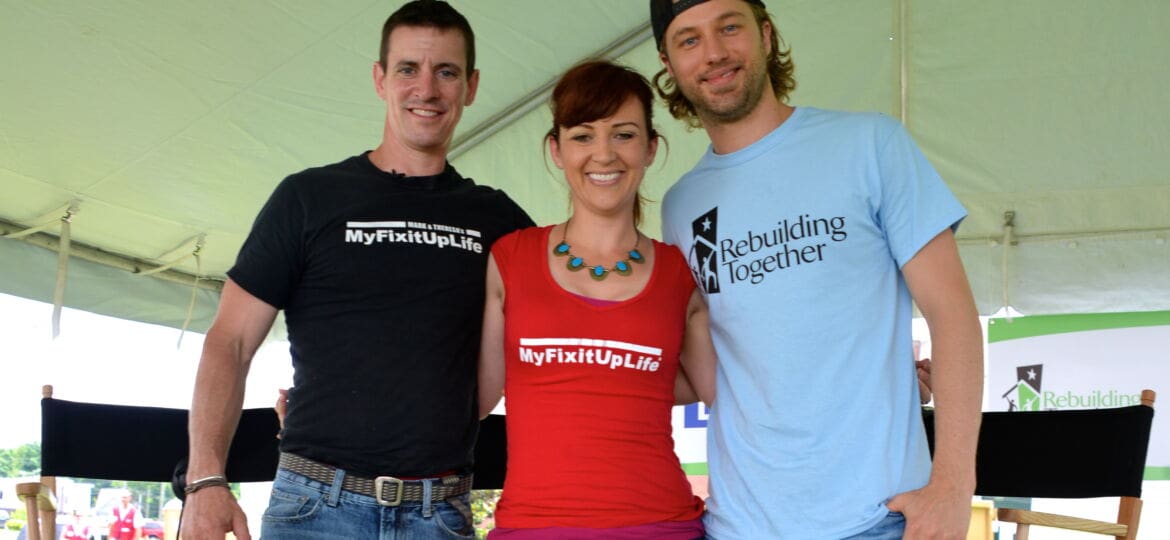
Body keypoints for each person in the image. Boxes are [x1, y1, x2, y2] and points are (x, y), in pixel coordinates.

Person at [181, 1, 533, 539]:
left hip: (439, 514)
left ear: (472, 86)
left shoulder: (499, 220)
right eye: (408, 69)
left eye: (446, 72)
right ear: (379, 79)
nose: (427, 89)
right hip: (314, 509)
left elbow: (568, 319)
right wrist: (205, 481)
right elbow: (230, 341)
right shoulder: (308, 197)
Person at [650, 1, 984, 539]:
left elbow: (953, 314)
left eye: (729, 27)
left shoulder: (870, 144)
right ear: (668, 64)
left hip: (878, 518)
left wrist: (953, 485)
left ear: (765, 34)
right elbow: (710, 369)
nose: (713, 53)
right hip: (740, 526)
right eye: (689, 40)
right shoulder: (681, 206)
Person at [476, 60, 714, 539]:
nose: (603, 154)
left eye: (623, 135)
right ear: (556, 149)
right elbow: (477, 399)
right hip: (534, 527)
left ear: (650, 148)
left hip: (660, 527)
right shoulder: (510, 258)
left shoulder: (679, 272)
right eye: (583, 136)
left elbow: (730, 394)